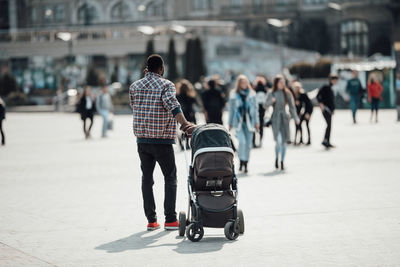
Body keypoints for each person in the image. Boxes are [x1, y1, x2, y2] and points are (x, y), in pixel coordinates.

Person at [129, 54, 196, 231]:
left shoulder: (135, 86)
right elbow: (172, 105)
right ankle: (171, 219)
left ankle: (151, 221)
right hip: (162, 141)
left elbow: (135, 106)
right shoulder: (166, 85)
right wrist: (185, 125)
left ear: (146, 69)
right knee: (170, 177)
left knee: (147, 179)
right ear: (161, 69)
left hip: (142, 141)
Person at [265, 75, 299, 170]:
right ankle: (276, 158)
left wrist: (296, 118)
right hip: (275, 119)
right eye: (280, 82)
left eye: (283, 82)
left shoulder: (287, 93)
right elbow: (265, 105)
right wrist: (271, 101)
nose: (282, 84)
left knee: (284, 142)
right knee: (278, 141)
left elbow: (292, 107)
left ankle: (282, 161)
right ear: (276, 83)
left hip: (285, 119)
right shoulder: (271, 93)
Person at [228, 74, 260, 173]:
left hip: (250, 122)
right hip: (239, 123)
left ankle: (246, 163)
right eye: (242, 82)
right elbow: (231, 110)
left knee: (249, 144)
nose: (244, 84)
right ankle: (241, 161)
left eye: (246, 82)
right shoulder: (234, 94)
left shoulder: (252, 94)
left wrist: (257, 122)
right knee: (242, 142)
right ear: (239, 83)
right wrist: (230, 123)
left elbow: (255, 109)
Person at [176, 79, 199, 149]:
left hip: (180, 115)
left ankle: (181, 143)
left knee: (180, 130)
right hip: (189, 115)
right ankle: (187, 143)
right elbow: (195, 105)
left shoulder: (177, 96)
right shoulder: (190, 96)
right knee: (188, 129)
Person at [317, 73, 338, 149]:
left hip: (329, 110)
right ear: (331, 80)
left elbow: (331, 101)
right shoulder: (326, 87)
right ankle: (325, 140)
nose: (336, 82)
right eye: (335, 80)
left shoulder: (331, 88)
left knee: (329, 125)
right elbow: (318, 95)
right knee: (328, 124)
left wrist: (333, 109)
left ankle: (327, 141)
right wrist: (321, 104)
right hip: (325, 109)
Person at [253, 76, 268, 147]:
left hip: (256, 109)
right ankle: (260, 140)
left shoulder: (254, 90)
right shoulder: (265, 90)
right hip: (262, 109)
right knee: (261, 125)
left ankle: (253, 141)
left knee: (254, 124)